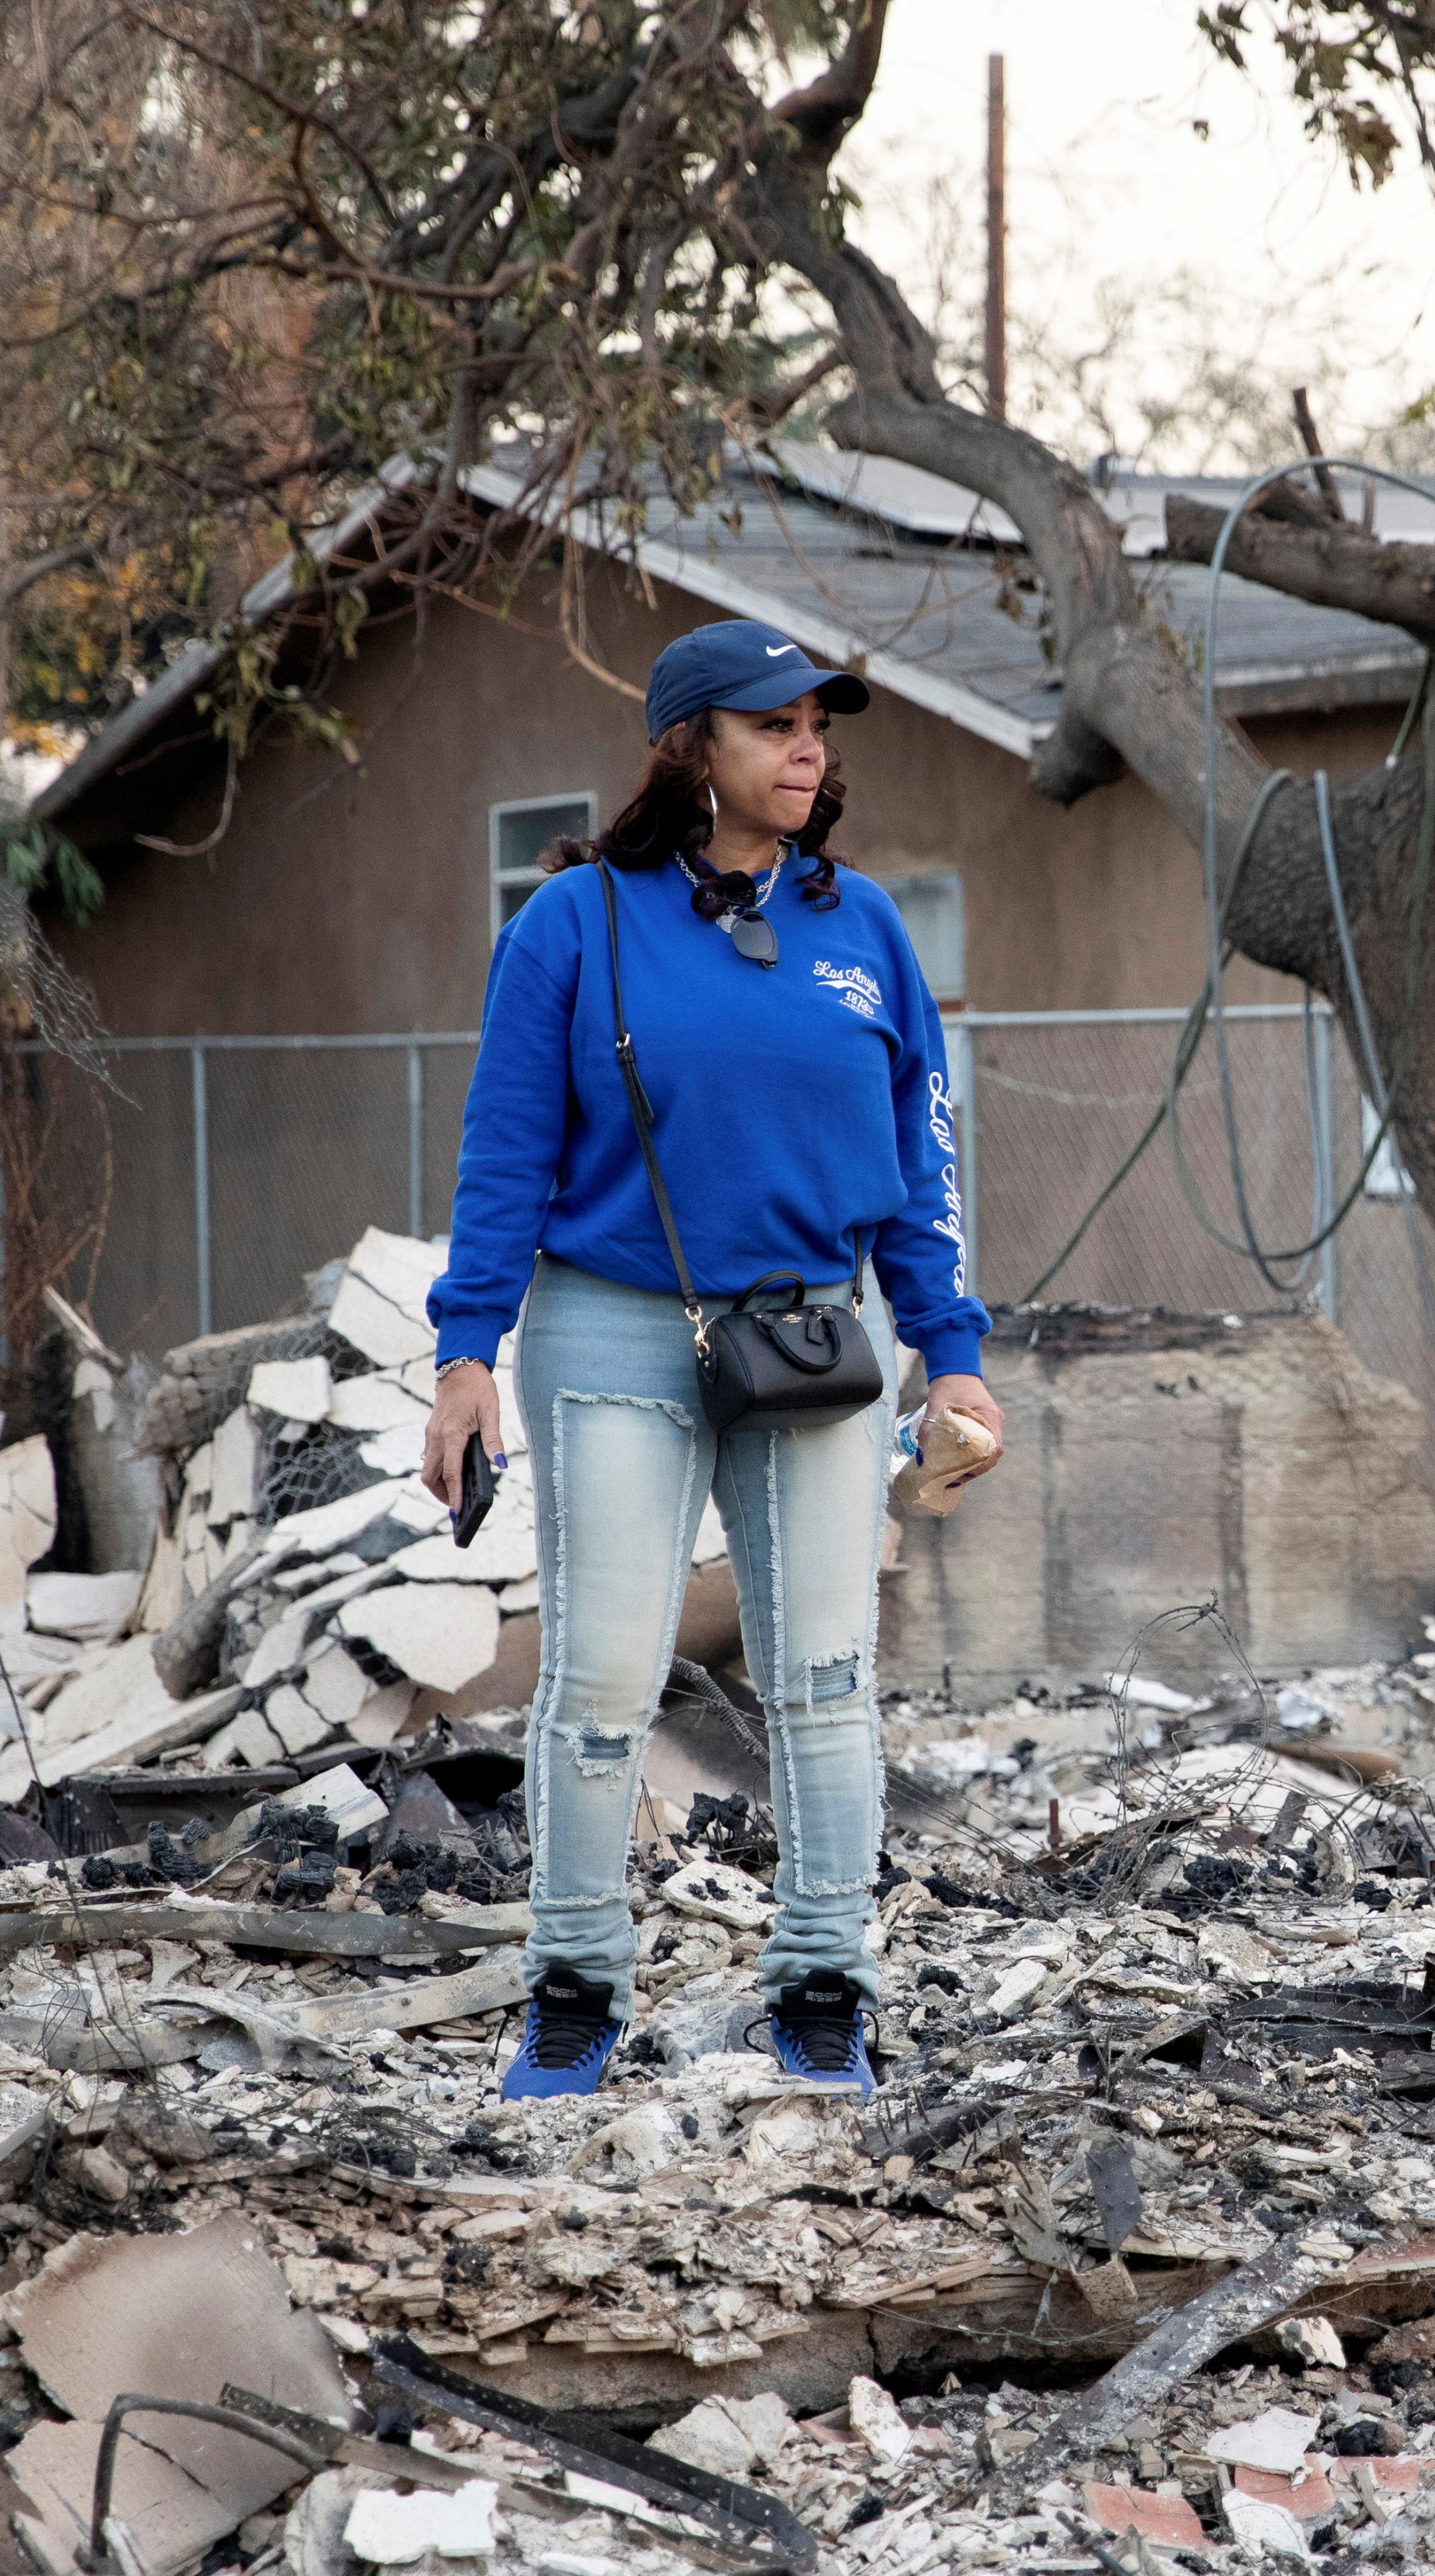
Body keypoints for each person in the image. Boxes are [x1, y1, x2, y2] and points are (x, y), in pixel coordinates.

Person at [421, 619, 1002, 2104]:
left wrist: (950, 1351)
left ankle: (821, 1989)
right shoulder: (575, 924)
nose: (810, 749)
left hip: (815, 1336)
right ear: (694, 750)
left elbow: (920, 1158)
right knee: (605, 1675)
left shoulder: (864, 930)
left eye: (821, 724)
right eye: (776, 725)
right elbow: (505, 1149)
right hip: (616, 1324)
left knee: (820, 1676)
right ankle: (573, 1988)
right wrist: (465, 1351)